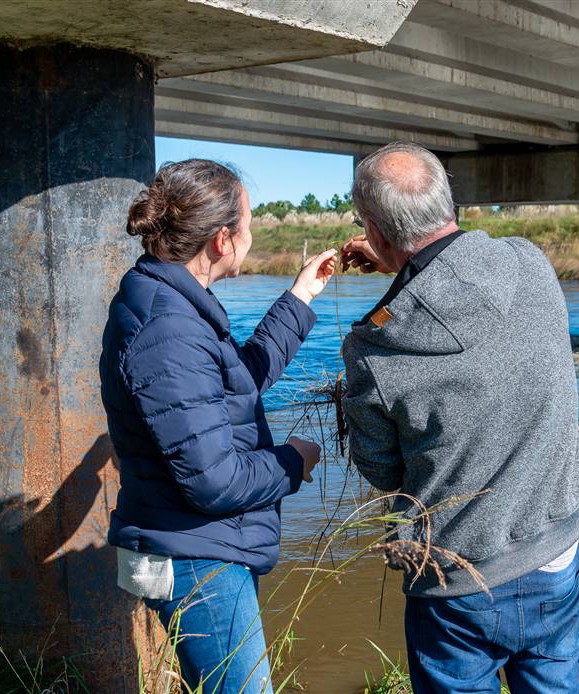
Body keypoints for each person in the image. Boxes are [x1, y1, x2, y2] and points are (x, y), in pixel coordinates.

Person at [340, 142, 579, 693]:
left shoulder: (372, 349)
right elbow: (454, 279)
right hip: (554, 553)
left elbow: (382, 473)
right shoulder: (531, 265)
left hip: (456, 582)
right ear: (447, 201)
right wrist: (404, 263)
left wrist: (399, 276)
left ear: (377, 234)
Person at [100, 159, 335, 693]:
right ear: (223, 239)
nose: (252, 236)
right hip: (195, 554)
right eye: (249, 225)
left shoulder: (173, 308)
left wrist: (301, 297)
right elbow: (215, 480)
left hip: (201, 544)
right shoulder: (169, 326)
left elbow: (240, 382)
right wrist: (293, 461)